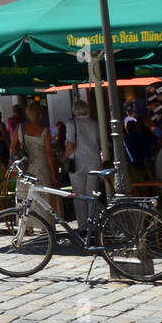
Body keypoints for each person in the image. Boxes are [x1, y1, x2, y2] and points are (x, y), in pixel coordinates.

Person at [65, 99, 104, 233]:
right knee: (92, 195)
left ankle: (83, 226)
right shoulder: (94, 124)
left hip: (78, 162)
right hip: (93, 161)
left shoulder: (71, 123)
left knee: (79, 196)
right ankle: (93, 224)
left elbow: (70, 145)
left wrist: (64, 157)